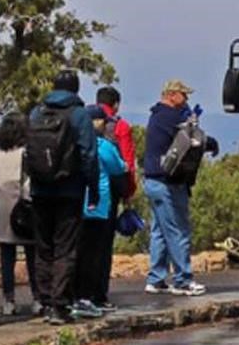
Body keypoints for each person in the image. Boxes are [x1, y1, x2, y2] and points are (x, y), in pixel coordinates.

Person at [27, 72, 98, 325]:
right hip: (69, 189)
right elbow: (89, 154)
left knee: (43, 247)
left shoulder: (37, 113)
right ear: (76, 89)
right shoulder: (79, 115)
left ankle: (44, 302)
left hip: (39, 189)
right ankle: (60, 305)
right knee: (65, 248)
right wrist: (94, 188)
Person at [142, 80, 215, 297]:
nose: (187, 100)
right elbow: (193, 138)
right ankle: (183, 280)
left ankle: (156, 279)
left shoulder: (156, 115)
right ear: (172, 95)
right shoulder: (171, 116)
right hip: (167, 182)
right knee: (178, 230)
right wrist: (212, 143)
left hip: (152, 181)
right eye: (184, 95)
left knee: (159, 232)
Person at [81, 107, 127, 314]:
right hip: (99, 205)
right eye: (103, 121)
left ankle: (77, 296)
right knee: (97, 253)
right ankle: (95, 296)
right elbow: (118, 167)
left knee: (79, 252)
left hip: (77, 204)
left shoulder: (76, 144)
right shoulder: (103, 146)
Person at [0, 112, 34, 317]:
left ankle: (8, 300)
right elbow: (27, 181)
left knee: (6, 257)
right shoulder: (25, 153)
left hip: (1, 205)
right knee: (31, 255)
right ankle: (37, 297)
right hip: (22, 207)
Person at [95, 87, 138, 198]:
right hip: (111, 183)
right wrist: (129, 189)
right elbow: (127, 159)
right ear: (116, 105)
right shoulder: (121, 126)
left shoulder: (84, 119)